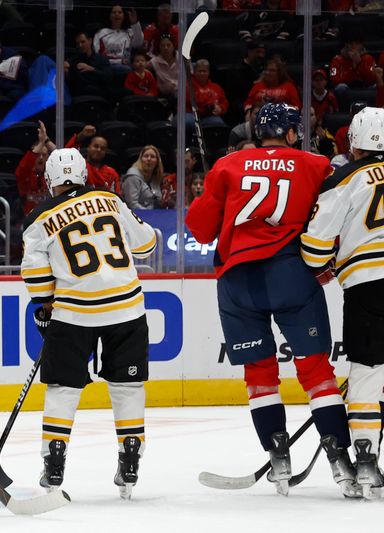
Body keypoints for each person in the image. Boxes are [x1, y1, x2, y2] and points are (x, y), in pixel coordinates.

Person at [185, 103, 353, 497]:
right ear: (291, 132)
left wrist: (218, 188)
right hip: (290, 274)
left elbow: (200, 228)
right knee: (316, 371)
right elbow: (334, 213)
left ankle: (278, 457)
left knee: (259, 375)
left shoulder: (228, 165)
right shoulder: (315, 164)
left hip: (237, 280)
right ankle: (340, 460)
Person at [20, 147, 157, 499]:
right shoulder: (109, 199)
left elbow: (36, 278)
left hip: (74, 313)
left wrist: (44, 307)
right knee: (127, 388)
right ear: (83, 175)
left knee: (63, 390)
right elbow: (147, 244)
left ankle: (53, 464)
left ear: (49, 180)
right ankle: (130, 460)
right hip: (127, 307)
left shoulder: (38, 218)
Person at [300, 107, 384, 499]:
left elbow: (316, 244)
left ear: (353, 141)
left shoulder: (344, 177)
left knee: (367, 370)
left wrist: (325, 264)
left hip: (368, 284)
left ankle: (365, 461)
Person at [93, 4, 142, 76]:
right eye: (114, 12)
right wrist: (118, 61)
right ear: (109, 16)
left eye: (120, 12)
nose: (117, 14)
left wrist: (134, 23)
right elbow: (98, 54)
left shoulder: (129, 32)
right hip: (106, 66)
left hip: (126, 68)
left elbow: (138, 43)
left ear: (124, 16)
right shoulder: (101, 33)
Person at [122, 145, 167, 209]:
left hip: (155, 214)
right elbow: (132, 204)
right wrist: (149, 214)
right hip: (138, 215)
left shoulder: (156, 177)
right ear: (140, 159)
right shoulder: (132, 177)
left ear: (157, 161)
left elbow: (158, 201)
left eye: (152, 157)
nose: (149, 159)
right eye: (146, 156)